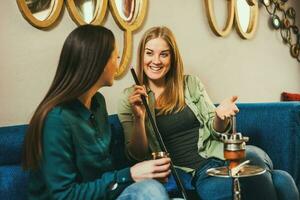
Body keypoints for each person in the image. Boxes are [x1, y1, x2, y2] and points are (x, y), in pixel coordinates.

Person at [117, 26, 299, 200]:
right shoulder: (130, 99)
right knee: (281, 180)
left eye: (163, 54)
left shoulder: (190, 84)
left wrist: (219, 117)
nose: (156, 61)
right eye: (149, 53)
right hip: (197, 176)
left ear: (172, 58)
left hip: (222, 156)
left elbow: (215, 128)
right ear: (141, 55)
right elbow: (137, 154)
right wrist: (139, 118)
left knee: (255, 157)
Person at [22, 25, 171, 200]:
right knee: (151, 192)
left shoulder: (98, 103)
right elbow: (64, 195)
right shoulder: (56, 119)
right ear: (97, 62)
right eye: (114, 55)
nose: (118, 60)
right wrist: (128, 175)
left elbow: (106, 170)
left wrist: (139, 118)